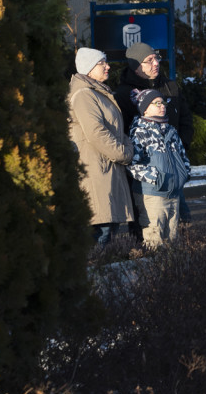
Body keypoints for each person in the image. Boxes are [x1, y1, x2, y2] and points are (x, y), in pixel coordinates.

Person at [114, 41, 195, 235]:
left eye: (156, 58)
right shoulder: (124, 94)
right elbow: (122, 132)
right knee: (149, 228)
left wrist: (179, 152)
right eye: (148, 60)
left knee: (181, 225)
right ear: (136, 66)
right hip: (146, 179)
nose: (156, 63)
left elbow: (186, 119)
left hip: (173, 172)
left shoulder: (170, 86)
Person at [68, 47, 135, 245]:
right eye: (101, 63)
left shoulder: (98, 92)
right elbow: (96, 132)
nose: (108, 67)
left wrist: (126, 143)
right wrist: (123, 153)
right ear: (88, 69)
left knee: (108, 234)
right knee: (101, 236)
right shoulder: (84, 95)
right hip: (96, 173)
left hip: (107, 171)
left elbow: (116, 130)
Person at [127, 89, 192, 246]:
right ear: (145, 108)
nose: (162, 106)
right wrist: (157, 178)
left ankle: (170, 263)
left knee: (172, 240)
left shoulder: (171, 130)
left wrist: (184, 174)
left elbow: (183, 156)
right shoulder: (139, 131)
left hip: (174, 193)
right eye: (157, 103)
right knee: (154, 240)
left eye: (163, 102)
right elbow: (131, 164)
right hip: (152, 194)